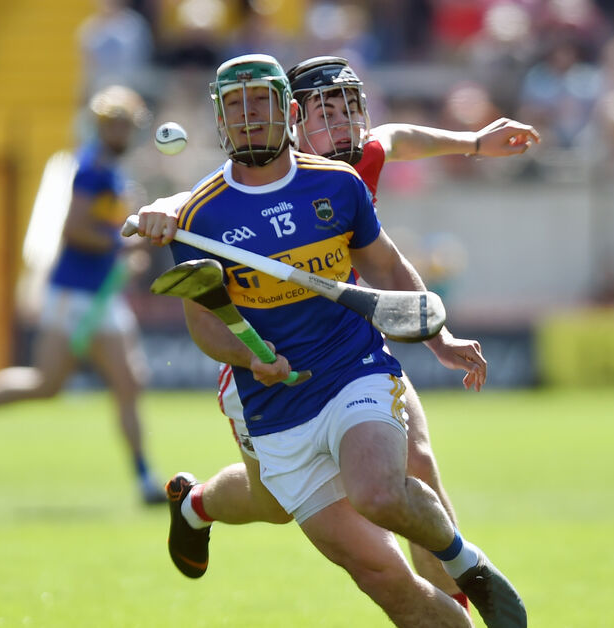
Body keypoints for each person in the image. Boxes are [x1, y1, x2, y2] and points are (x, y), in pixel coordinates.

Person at [137, 53, 527, 628]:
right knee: (276, 508)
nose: (343, 124)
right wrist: (170, 210)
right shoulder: (199, 215)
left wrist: (436, 335)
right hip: (267, 387)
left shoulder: (344, 174)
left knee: (400, 477)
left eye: (349, 108)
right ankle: (196, 505)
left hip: (352, 360)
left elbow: (392, 241)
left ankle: (469, 576)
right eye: (329, 110)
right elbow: (203, 316)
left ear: (284, 114)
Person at [0, 85, 166, 505]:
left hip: (94, 296)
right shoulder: (94, 169)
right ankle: (145, 479)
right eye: (119, 125)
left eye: (128, 125)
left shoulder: (108, 170)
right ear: (105, 127)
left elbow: (101, 232)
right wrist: (122, 247)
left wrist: (122, 254)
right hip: (77, 296)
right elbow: (74, 230)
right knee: (64, 383)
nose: (124, 132)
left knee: (76, 383)